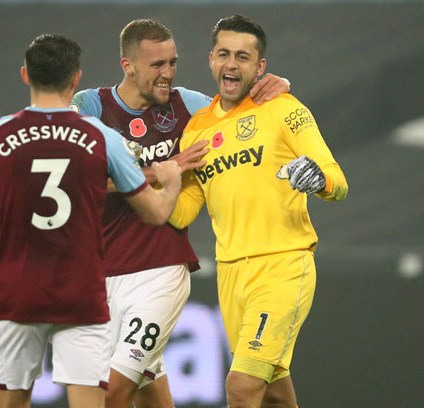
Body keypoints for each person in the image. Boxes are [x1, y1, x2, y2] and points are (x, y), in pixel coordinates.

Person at [0, 33, 182, 408]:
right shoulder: (102, 138)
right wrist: (172, 181)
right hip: (80, 293)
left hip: (18, 293)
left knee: (13, 403)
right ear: (76, 78)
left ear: (25, 75)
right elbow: (156, 212)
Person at [70, 19, 291, 408]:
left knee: (110, 395)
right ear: (128, 66)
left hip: (160, 272)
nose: (167, 75)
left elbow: (240, 110)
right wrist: (162, 169)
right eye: (156, 65)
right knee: (149, 394)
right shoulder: (91, 106)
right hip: (101, 274)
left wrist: (274, 87)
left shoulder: (186, 105)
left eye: (172, 63)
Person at [168, 15, 349, 408]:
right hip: (231, 274)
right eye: (224, 54)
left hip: (283, 266)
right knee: (272, 395)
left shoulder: (283, 108)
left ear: (260, 67)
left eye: (243, 57)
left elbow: (338, 180)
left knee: (241, 386)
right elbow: (183, 212)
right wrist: (156, 181)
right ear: (211, 60)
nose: (232, 64)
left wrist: (318, 179)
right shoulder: (196, 129)